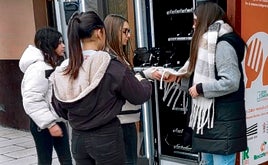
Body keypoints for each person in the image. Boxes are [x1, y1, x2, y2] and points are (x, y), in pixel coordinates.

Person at [49, 11, 153, 165]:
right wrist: (144, 80)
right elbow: (139, 95)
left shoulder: (65, 68)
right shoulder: (110, 65)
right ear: (99, 32)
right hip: (106, 138)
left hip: (78, 139)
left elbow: (59, 108)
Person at [165, 1, 247, 165]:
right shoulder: (206, 44)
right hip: (209, 122)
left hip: (221, 124)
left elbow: (231, 81)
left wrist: (201, 89)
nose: (193, 26)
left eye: (196, 21)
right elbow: (196, 74)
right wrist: (178, 77)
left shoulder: (223, 44)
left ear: (205, 20)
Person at [104, 14, 161, 165]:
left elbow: (125, 82)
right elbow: (130, 89)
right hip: (121, 123)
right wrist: (144, 79)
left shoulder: (114, 57)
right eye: (125, 31)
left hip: (122, 121)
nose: (128, 36)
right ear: (113, 31)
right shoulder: (112, 60)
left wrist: (145, 73)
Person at [19, 27, 73, 165]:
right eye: (59, 42)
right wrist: (50, 124)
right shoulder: (38, 69)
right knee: (45, 160)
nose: (63, 46)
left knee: (66, 158)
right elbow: (32, 100)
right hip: (43, 124)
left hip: (55, 120)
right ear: (50, 44)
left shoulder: (50, 65)